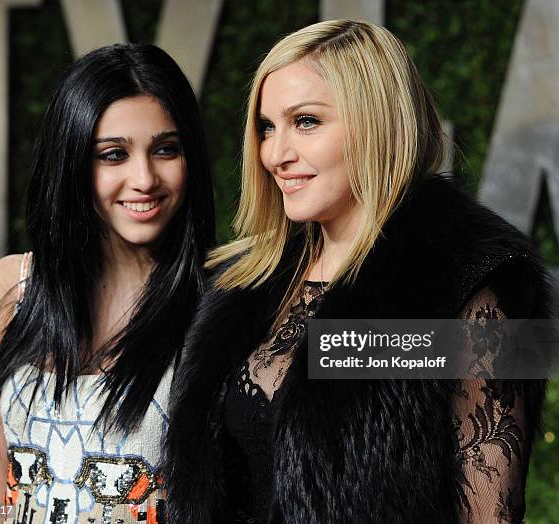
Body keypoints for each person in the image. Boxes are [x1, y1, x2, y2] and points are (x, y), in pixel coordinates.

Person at [165, 20, 552, 523]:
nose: (276, 154)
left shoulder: (460, 290)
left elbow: (488, 514)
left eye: (305, 121)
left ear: (378, 123)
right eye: (266, 127)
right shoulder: (247, 283)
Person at [0, 43, 214, 524]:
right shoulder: (10, 287)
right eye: (113, 155)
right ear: (73, 162)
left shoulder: (220, 302)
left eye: (166, 150)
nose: (144, 178)